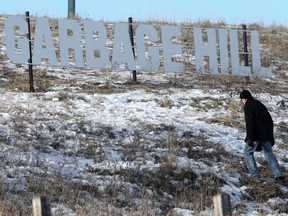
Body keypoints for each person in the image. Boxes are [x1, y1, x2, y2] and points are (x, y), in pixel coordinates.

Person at [240, 90, 285, 184]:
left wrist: (250, 137)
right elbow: (269, 119)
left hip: (256, 135)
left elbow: (250, 122)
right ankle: (279, 176)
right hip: (266, 135)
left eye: (242, 100)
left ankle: (254, 175)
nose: (242, 102)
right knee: (269, 154)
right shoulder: (259, 104)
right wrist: (270, 136)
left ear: (244, 99)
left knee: (247, 153)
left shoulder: (248, 105)